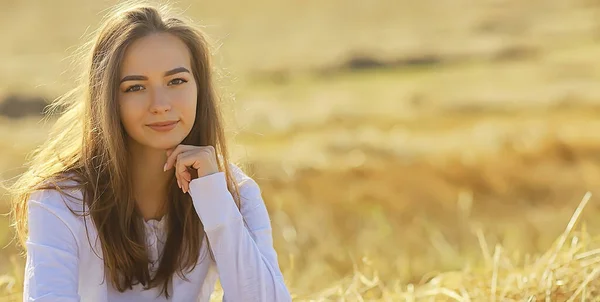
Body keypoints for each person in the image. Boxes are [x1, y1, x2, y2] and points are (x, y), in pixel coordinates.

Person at [9, 2, 291, 301]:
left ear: (200, 89)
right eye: (135, 87)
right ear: (107, 99)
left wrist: (215, 201)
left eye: (176, 81)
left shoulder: (234, 192)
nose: (160, 103)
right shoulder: (60, 200)